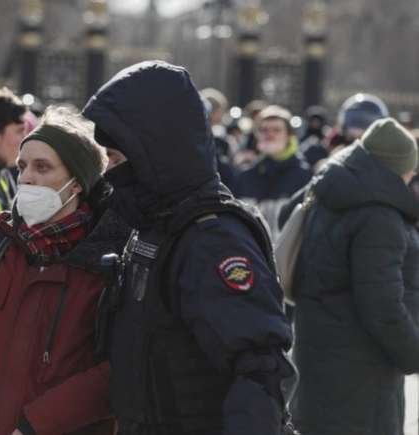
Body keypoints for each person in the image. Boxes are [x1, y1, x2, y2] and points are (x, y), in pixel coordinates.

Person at [82, 61, 294, 435]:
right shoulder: (152, 223)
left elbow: (259, 369)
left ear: (151, 151)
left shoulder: (212, 238)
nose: (109, 174)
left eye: (116, 160)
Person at [0, 106, 124, 435]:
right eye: (22, 166)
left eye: (42, 167)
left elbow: (121, 365)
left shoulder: (108, 251)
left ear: (76, 183)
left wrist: (38, 423)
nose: (27, 177)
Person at [289, 118, 419, 435]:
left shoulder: (329, 190)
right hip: (361, 375)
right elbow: (382, 306)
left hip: (316, 355)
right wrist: (413, 354)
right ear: (398, 168)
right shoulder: (379, 216)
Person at [232, 105, 312, 238]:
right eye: (264, 130)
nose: (270, 135)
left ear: (289, 135)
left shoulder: (304, 176)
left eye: (277, 130)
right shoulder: (245, 176)